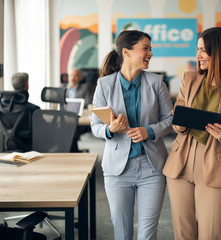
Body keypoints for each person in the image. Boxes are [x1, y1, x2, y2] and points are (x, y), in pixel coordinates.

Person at [163, 27, 221, 239]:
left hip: (215, 162)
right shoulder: (189, 78)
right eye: (198, 49)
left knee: (211, 232)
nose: (198, 55)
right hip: (181, 160)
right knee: (183, 232)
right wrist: (180, 121)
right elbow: (178, 123)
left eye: (203, 50)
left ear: (219, 52)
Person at [91, 30, 173, 240]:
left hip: (152, 167)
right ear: (126, 52)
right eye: (145, 48)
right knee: (122, 233)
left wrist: (150, 131)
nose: (150, 54)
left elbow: (170, 119)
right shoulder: (105, 84)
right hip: (117, 170)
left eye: (150, 49)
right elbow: (95, 126)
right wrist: (111, 129)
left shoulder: (156, 82)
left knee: (147, 233)